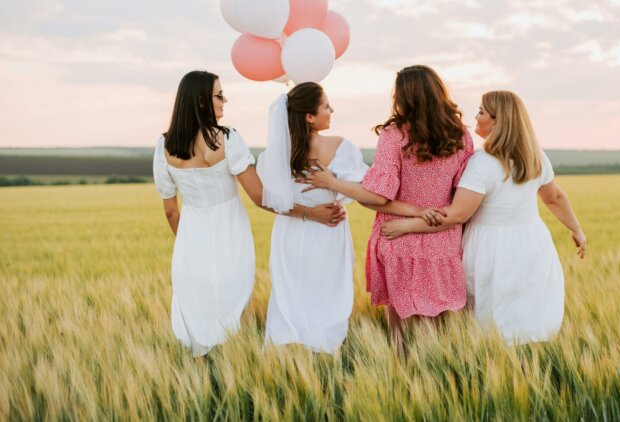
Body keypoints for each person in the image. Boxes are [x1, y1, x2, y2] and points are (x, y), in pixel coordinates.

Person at [153, 71, 345, 356]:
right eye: (219, 95)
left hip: (190, 242)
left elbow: (171, 212)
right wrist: (310, 213)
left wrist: (188, 243)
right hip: (231, 238)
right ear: (203, 102)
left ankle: (205, 375)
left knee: (198, 312)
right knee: (232, 306)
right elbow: (260, 197)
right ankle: (233, 364)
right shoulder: (229, 139)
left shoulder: (164, 145)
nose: (224, 100)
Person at [380, 90, 587, 344]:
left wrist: (406, 225)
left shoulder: (482, 163)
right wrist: (576, 229)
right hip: (532, 244)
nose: (475, 117)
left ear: (497, 121)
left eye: (481, 112)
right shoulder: (537, 157)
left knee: (489, 316)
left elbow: (457, 214)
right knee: (526, 314)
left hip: (490, 248)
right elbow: (554, 197)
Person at [301, 65, 474, 352]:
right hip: (442, 237)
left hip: (396, 236)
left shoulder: (394, 135)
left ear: (404, 97)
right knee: (442, 332)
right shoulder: (461, 136)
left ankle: (403, 383)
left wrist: (332, 182)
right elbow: (462, 194)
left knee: (401, 334)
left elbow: (378, 196)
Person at [256, 82, 370, 353]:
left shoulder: (273, 155)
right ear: (309, 116)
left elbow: (270, 199)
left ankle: (288, 348)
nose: (331, 110)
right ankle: (324, 348)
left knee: (291, 293)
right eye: (326, 106)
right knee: (327, 292)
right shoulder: (340, 147)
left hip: (290, 232)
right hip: (328, 230)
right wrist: (332, 187)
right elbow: (365, 189)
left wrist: (307, 211)